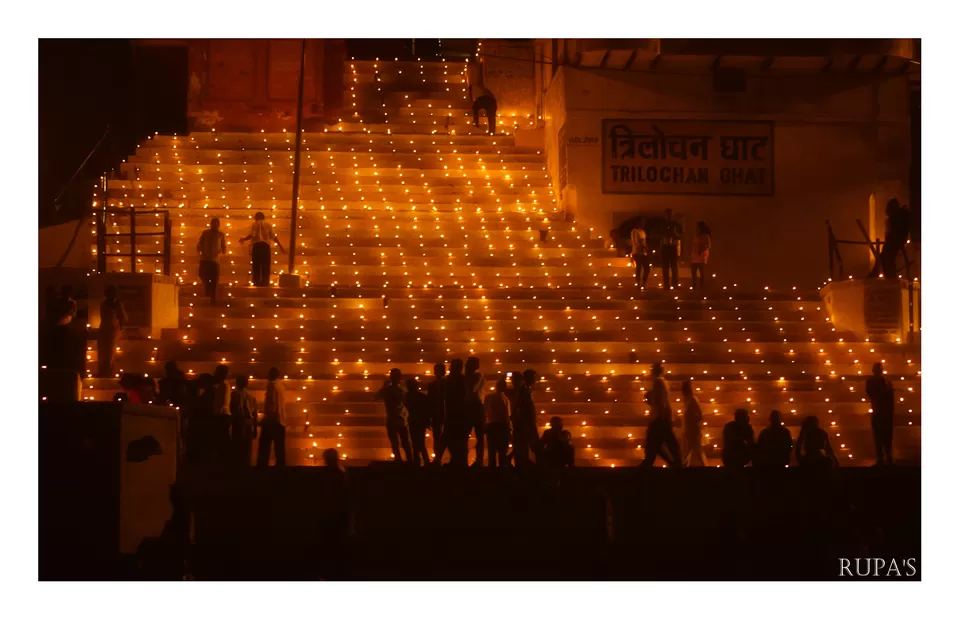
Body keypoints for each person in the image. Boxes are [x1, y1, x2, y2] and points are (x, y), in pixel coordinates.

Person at [641, 362, 682, 467]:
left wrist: (657, 416)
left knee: (656, 443)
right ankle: (674, 463)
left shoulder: (658, 382)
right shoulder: (662, 382)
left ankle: (675, 463)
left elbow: (660, 402)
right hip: (663, 417)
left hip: (660, 418)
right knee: (660, 444)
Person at [238, 211, 286, 287]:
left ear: (256, 217)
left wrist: (243, 239)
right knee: (266, 265)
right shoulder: (268, 225)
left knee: (256, 265)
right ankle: (265, 283)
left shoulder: (254, 224)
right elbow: (273, 236)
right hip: (265, 246)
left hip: (257, 246)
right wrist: (280, 246)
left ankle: (256, 283)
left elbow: (251, 235)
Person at [376, 368, 412, 463]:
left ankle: (408, 460)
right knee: (397, 443)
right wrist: (384, 388)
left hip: (400, 420)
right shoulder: (389, 390)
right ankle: (401, 460)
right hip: (394, 420)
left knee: (403, 442)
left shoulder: (401, 390)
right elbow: (376, 397)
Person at [870, 198, 911, 278]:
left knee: (885, 260)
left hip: (892, 243)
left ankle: (873, 279)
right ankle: (883, 278)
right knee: (885, 261)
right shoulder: (899, 218)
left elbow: (894, 232)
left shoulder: (897, 219)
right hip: (893, 243)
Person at [439, 359, 468, 466]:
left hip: (454, 413)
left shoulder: (450, 380)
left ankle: (441, 459)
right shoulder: (461, 379)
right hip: (458, 413)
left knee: (447, 438)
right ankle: (457, 460)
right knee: (455, 439)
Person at [866, 362, 895, 465]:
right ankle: (881, 456)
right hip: (879, 411)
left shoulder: (886, 381)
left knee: (886, 435)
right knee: (879, 435)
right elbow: (871, 393)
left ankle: (886, 455)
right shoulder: (873, 381)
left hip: (884, 412)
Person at [258, 367, 286, 467]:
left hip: (271, 421)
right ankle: (281, 470)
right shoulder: (281, 386)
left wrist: (264, 419)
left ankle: (262, 469)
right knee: (280, 450)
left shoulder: (271, 386)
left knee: (264, 447)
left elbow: (272, 405)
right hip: (280, 421)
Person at [97, 285, 127, 378]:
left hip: (112, 328)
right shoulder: (104, 304)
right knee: (104, 350)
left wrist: (121, 326)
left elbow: (122, 316)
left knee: (110, 350)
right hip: (105, 328)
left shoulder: (117, 304)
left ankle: (108, 370)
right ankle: (103, 370)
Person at [512, 369, 540, 466]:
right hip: (526, 423)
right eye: (533, 378)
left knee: (525, 445)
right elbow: (522, 407)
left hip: (526, 422)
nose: (535, 380)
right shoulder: (523, 390)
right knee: (531, 445)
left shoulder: (525, 390)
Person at [229, 375, 258, 467]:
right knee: (247, 449)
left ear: (237, 383)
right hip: (248, 424)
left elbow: (233, 410)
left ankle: (237, 468)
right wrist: (255, 429)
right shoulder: (252, 398)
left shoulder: (234, 395)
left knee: (237, 448)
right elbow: (255, 415)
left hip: (238, 424)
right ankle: (246, 467)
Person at [197, 217, 227, 304]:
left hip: (214, 260)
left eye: (216, 224)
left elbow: (223, 247)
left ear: (218, 225)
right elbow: (200, 243)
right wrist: (201, 249)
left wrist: (220, 250)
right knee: (204, 276)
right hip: (204, 259)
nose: (214, 225)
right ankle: (207, 294)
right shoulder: (205, 233)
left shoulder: (221, 235)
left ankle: (212, 298)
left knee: (214, 280)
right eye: (213, 224)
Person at [483, 377, 512, 467]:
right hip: (500, 427)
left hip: (493, 426)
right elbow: (507, 415)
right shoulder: (505, 399)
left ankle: (493, 470)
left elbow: (484, 411)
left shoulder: (490, 397)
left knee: (492, 452)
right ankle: (500, 470)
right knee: (501, 452)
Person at [464, 356, 485, 466]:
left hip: (474, 406)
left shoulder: (477, 376)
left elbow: (472, 389)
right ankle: (471, 459)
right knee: (471, 435)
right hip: (472, 407)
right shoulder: (472, 376)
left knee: (478, 435)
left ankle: (479, 459)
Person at [405, 378, 431, 466]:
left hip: (415, 421)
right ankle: (425, 461)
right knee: (420, 442)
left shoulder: (408, 396)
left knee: (416, 442)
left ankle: (418, 461)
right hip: (419, 421)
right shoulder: (421, 397)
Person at [680, 380, 705, 466]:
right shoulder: (686, 400)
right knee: (689, 449)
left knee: (695, 448)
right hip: (688, 428)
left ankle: (702, 465)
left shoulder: (693, 399)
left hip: (693, 429)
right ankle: (685, 464)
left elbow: (700, 413)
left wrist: (694, 424)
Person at [469, 62, 497, 135]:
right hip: (490, 101)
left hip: (490, 101)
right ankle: (490, 130)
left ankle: (478, 124)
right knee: (491, 117)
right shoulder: (482, 91)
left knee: (491, 117)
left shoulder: (480, 92)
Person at [427, 362, 447, 458]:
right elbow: (430, 400)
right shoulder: (432, 385)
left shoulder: (447, 384)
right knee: (437, 436)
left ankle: (439, 456)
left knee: (442, 436)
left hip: (445, 413)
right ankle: (438, 457)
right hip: (437, 413)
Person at [659, 217, 681, 291]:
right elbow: (661, 242)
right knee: (666, 269)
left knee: (674, 269)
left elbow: (678, 240)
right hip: (666, 250)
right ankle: (667, 285)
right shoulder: (663, 233)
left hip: (672, 250)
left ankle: (674, 284)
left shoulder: (675, 233)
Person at [690, 221, 711, 292]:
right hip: (694, 256)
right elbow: (693, 245)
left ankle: (701, 287)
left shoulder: (705, 236)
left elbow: (708, 245)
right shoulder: (696, 236)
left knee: (701, 271)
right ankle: (694, 286)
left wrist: (701, 249)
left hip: (701, 256)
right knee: (693, 271)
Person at [630, 217, 650, 289]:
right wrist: (641, 246)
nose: (642, 224)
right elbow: (635, 241)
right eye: (641, 222)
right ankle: (638, 282)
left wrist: (645, 247)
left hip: (644, 252)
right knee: (639, 267)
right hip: (637, 252)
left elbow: (644, 241)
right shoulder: (634, 231)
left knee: (647, 268)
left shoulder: (643, 231)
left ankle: (644, 283)